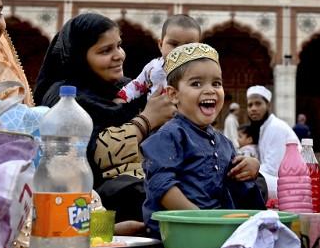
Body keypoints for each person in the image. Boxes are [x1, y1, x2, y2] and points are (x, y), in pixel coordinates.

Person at [34, 13, 176, 224]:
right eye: (105, 50)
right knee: (133, 192)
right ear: (79, 57)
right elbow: (91, 158)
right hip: (88, 205)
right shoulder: (64, 97)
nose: (119, 55)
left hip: (142, 181)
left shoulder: (126, 90)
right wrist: (146, 120)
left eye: (119, 45)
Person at [141, 43, 263, 233]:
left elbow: (236, 183)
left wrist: (250, 168)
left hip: (216, 227)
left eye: (217, 83)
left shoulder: (224, 143)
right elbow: (161, 185)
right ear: (173, 95)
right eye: (196, 83)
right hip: (180, 231)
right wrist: (200, 220)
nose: (210, 90)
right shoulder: (169, 135)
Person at [117, 14, 202, 102]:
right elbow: (136, 86)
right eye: (174, 44)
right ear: (161, 45)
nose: (179, 50)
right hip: (154, 114)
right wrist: (121, 99)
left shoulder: (200, 71)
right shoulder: (153, 67)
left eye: (188, 46)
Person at [245, 84, 299, 200]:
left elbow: (272, 169)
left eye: (258, 104)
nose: (253, 108)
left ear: (268, 105)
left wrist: (247, 169)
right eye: (250, 105)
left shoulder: (276, 127)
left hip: (293, 186)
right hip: (278, 182)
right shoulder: (263, 128)